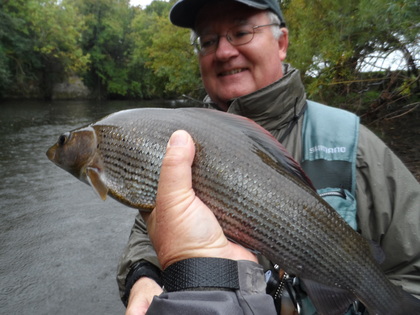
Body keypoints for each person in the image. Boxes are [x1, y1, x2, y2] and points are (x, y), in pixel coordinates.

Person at [117, 0, 420, 314]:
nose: (223, 51)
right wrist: (143, 275)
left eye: (241, 31)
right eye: (208, 41)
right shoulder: (178, 142)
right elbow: (147, 227)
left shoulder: (354, 146)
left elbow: (413, 267)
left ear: (281, 43)